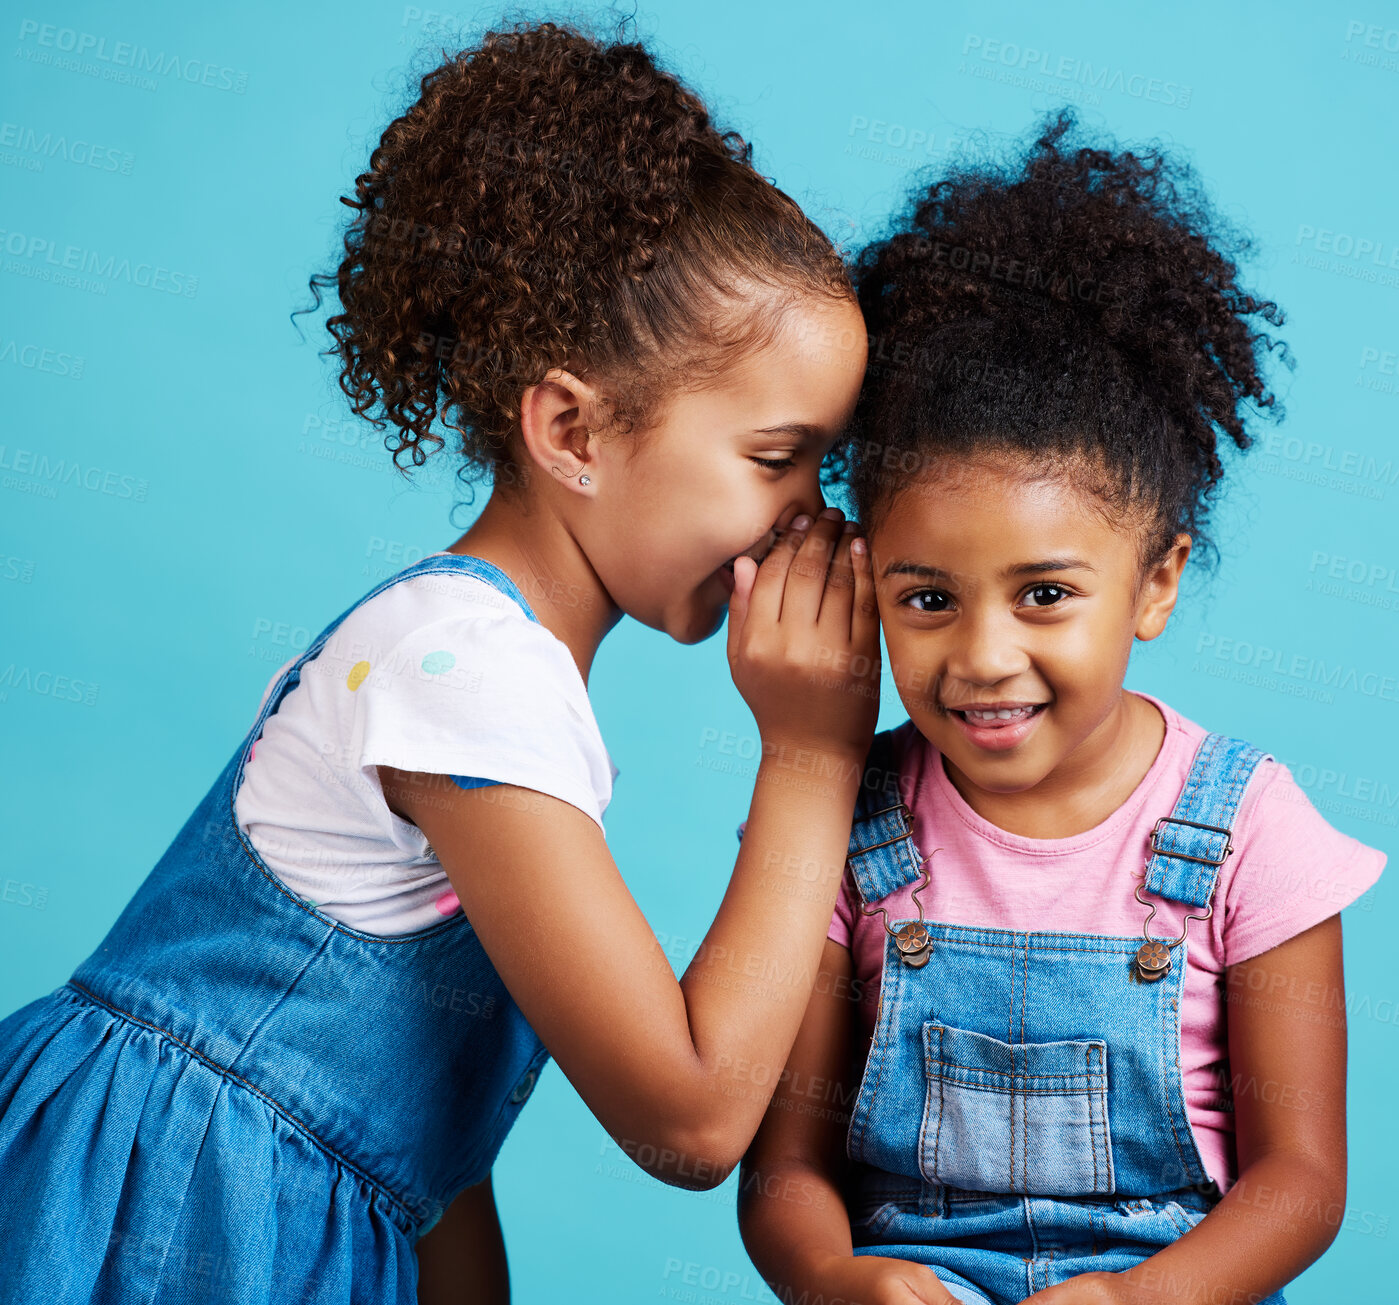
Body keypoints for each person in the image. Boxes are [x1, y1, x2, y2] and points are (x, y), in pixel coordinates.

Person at [0, 20, 879, 1304]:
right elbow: (688, 1123)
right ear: (572, 427)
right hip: (161, 1227)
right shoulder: (462, 672)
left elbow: (416, 1153)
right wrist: (810, 754)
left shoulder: (470, 671)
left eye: (825, 464)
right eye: (772, 457)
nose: (811, 512)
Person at [735, 109, 1386, 1305]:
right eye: (925, 597)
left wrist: (1133, 1300)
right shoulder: (846, 820)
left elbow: (1298, 1183)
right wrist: (837, 1280)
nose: (983, 656)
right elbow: (783, 1168)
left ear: (1154, 583)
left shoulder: (1250, 828)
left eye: (1043, 593)